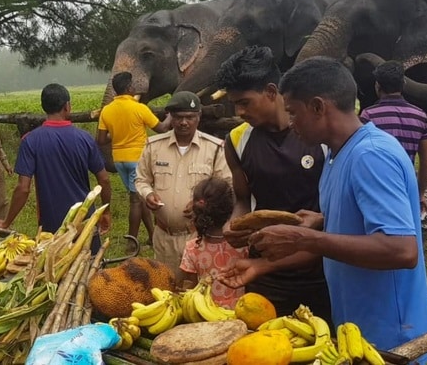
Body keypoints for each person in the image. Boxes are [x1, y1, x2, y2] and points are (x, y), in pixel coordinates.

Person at [246, 56, 427, 363]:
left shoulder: (371, 156)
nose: (291, 123)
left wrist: (304, 239)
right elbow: (365, 220)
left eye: (293, 113)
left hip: (393, 338)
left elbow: (402, 249)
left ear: (318, 107)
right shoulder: (337, 154)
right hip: (359, 330)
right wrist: (323, 221)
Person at [214, 46, 331, 322]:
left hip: (319, 270)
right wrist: (234, 223)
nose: (239, 111)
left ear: (270, 91)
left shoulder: (318, 136)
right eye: (235, 104)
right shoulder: (236, 140)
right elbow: (243, 199)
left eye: (245, 102)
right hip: (262, 271)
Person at [0, 84, 111, 254]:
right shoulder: (85, 138)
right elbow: (104, 179)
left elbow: (23, 188)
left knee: (54, 267)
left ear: (44, 107)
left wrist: (6, 222)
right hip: (85, 221)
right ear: (67, 106)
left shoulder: (30, 140)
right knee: (90, 264)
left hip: (51, 224)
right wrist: (106, 211)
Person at [135, 91, 231, 275]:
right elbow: (141, 179)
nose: (184, 122)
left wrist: (203, 204)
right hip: (164, 237)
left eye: (190, 117)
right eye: (178, 117)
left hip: (200, 236)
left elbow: (226, 187)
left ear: (199, 117)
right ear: (170, 117)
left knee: (199, 287)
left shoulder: (214, 148)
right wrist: (148, 194)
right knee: (166, 286)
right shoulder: (153, 146)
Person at [98, 72, 171, 251]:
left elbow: (101, 139)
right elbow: (162, 128)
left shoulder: (107, 110)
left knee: (139, 196)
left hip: (119, 160)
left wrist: (117, 134)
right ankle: (131, 243)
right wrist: (171, 115)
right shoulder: (139, 108)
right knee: (136, 201)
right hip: (137, 159)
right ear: (129, 87)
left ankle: (152, 236)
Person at [360, 60, 427, 219]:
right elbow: (426, 160)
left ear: (377, 86)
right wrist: (419, 194)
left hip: (377, 189)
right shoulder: (420, 115)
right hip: (407, 187)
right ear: (403, 84)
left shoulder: (368, 116)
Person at [179, 177, 247, 309]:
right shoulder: (243, 243)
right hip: (243, 309)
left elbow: (192, 288)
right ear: (231, 208)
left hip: (206, 312)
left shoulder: (192, 248)